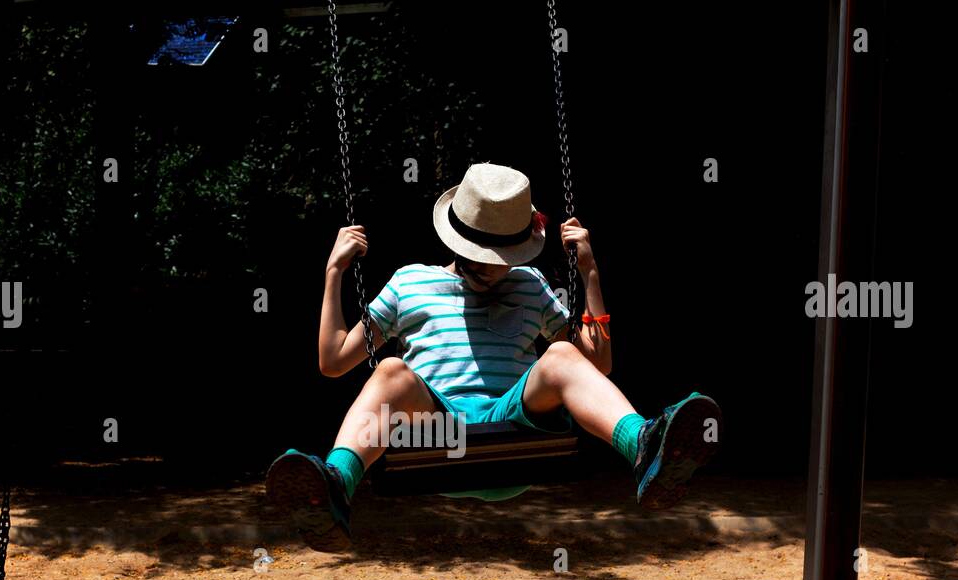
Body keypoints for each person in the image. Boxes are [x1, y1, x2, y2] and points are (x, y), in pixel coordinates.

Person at [267, 163, 720, 550]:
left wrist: (591, 274)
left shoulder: (530, 284)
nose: (497, 266)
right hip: (437, 431)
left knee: (562, 353)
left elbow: (596, 364)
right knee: (390, 370)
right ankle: (333, 491)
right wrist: (334, 272)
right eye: (485, 255)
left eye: (506, 255)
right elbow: (333, 360)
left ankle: (644, 446)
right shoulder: (410, 283)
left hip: (517, 428)